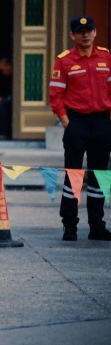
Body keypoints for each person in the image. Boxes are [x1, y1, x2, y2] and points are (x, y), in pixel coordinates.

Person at [49, 15, 111, 242]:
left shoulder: (106, 57)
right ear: (72, 35)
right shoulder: (64, 61)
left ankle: (97, 226)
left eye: (89, 30)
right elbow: (56, 97)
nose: (86, 35)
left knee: (99, 176)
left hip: (103, 124)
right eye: (80, 31)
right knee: (74, 176)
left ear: (95, 33)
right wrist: (68, 125)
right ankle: (70, 226)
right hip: (76, 124)